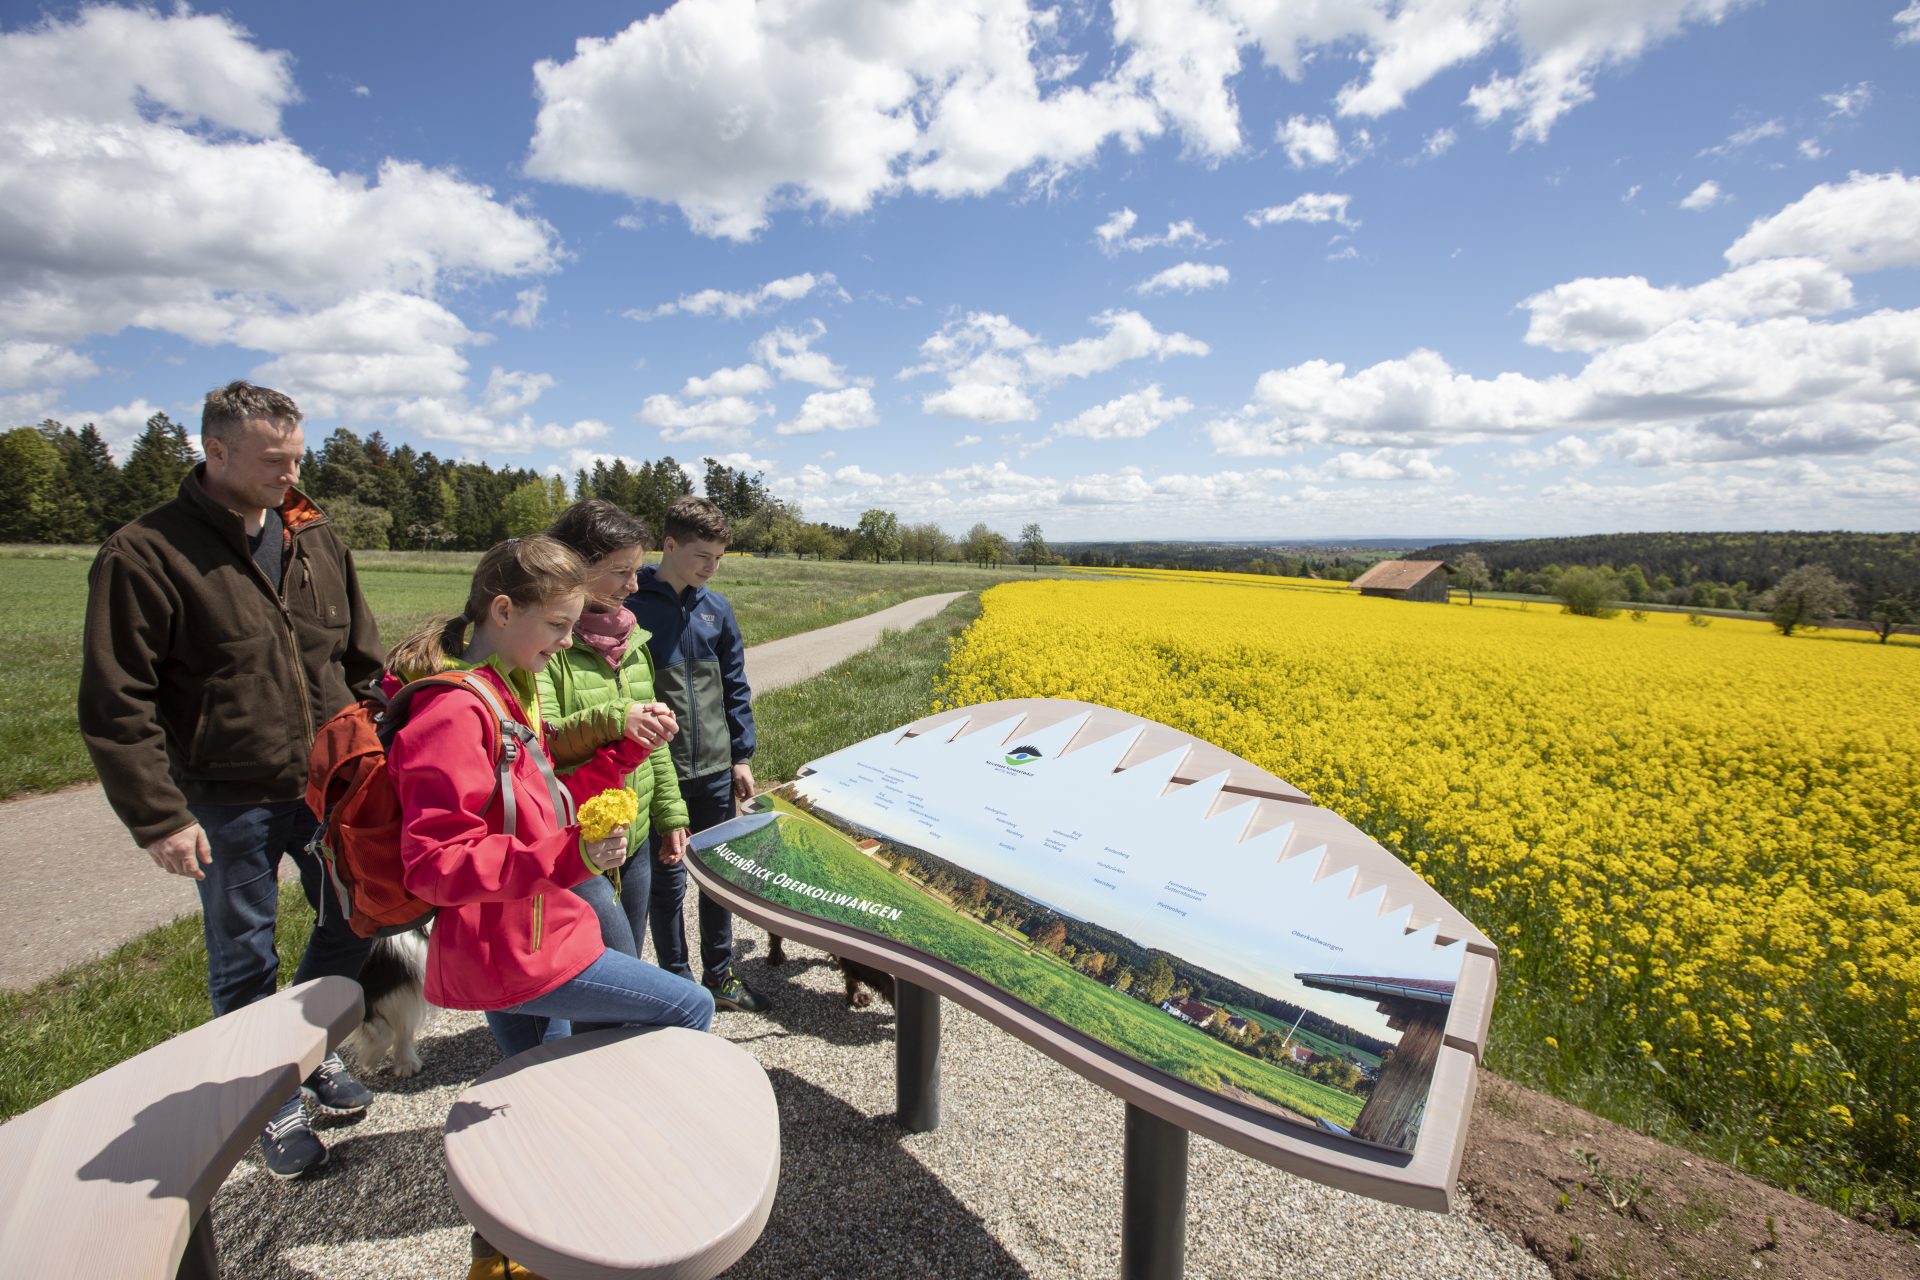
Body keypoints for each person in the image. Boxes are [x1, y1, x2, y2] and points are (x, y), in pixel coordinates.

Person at [78, 380, 383, 1179]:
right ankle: (266, 1103)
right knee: (243, 955)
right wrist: (158, 818)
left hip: (330, 783)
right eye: (273, 459)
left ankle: (305, 1048)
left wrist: (385, 741)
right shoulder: (144, 553)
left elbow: (361, 660)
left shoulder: (315, 536)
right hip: (226, 798)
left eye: (297, 455)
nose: (292, 472)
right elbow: (118, 702)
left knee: (361, 917)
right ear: (214, 451)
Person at [382, 535, 714, 1063]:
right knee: (689, 1006)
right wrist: (573, 854)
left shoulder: (506, 690)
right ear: (504, 611)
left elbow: (545, 807)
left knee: (550, 1076)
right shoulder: (454, 714)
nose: (566, 642)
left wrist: (623, 755)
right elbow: (433, 865)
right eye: (559, 625)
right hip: (510, 947)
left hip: (529, 928)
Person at [626, 495, 769, 1013]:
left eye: (718, 559)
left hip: (712, 768)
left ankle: (722, 974)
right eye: (700, 556)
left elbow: (735, 686)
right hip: (658, 772)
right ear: (668, 545)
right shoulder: (631, 605)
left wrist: (741, 756)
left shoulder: (717, 609)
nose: (710, 568)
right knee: (668, 878)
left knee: (717, 876)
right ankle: (678, 981)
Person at [536, 499, 690, 961]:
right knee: (585, 967)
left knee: (628, 959)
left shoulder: (633, 639)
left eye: (637, 570)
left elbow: (652, 741)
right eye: (621, 571)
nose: (634, 584)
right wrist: (616, 717)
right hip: (573, 838)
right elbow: (541, 742)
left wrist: (670, 813)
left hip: (634, 833)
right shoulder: (544, 643)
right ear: (576, 568)